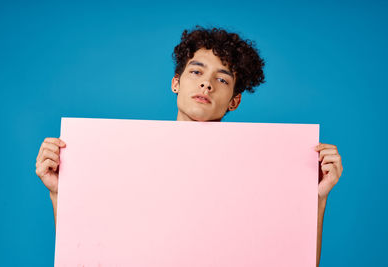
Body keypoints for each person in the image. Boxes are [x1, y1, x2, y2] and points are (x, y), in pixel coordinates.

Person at [35, 25, 343, 266]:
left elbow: (294, 262)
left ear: (234, 101)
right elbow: (84, 253)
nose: (206, 84)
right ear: (176, 83)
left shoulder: (258, 175)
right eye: (196, 72)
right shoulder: (126, 158)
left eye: (222, 80)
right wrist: (61, 192)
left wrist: (315, 199)